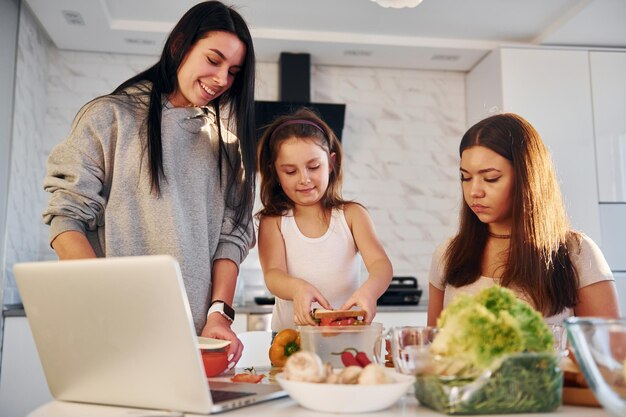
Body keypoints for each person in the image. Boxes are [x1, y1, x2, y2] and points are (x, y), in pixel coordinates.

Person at [42, 1, 256, 367]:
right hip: (111, 332)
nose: (222, 79)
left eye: (234, 71)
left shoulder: (227, 148)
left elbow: (232, 237)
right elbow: (66, 217)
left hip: (195, 342)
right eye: (213, 60)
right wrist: (104, 298)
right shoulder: (111, 117)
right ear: (179, 47)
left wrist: (219, 313)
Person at [427, 113, 620, 326]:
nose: (474, 191)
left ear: (527, 177)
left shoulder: (577, 253)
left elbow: (607, 354)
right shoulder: (448, 254)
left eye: (491, 178)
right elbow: (432, 349)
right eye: (466, 177)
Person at [256, 108, 393, 332]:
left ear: (331, 163)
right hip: (290, 338)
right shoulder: (274, 221)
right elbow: (273, 275)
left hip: (347, 334)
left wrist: (369, 291)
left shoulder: (352, 215)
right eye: (290, 171)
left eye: (313, 167)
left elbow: (381, 265)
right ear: (276, 174)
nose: (304, 179)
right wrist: (297, 288)